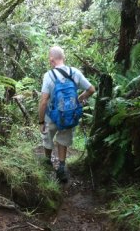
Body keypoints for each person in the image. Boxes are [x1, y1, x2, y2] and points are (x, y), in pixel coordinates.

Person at [38, 46, 96, 182]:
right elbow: (91, 89)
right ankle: (61, 168)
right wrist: (79, 99)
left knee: (48, 137)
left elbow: (44, 101)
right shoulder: (74, 72)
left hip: (51, 115)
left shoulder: (49, 75)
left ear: (51, 60)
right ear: (63, 58)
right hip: (69, 115)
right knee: (63, 139)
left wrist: (41, 122)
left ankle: (47, 162)